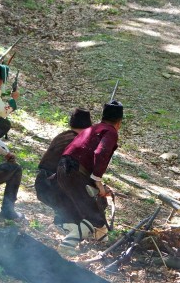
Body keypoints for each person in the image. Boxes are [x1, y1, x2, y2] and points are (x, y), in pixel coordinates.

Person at [56, 100, 123, 249]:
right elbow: (101, 152)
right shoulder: (110, 131)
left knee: (94, 209)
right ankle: (66, 246)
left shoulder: (93, 128)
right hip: (74, 171)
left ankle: (102, 240)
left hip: (63, 169)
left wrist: (97, 184)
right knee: (94, 217)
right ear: (119, 122)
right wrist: (97, 181)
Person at [35, 108, 92, 225]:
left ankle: (62, 220)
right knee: (81, 214)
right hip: (53, 188)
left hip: (41, 183)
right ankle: (67, 224)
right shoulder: (78, 142)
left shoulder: (63, 136)